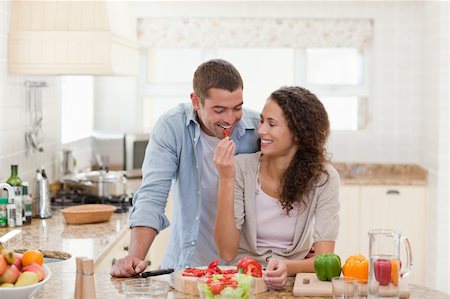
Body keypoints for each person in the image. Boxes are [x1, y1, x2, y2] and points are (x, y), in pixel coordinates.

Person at [110, 59, 260, 277]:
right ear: (196, 101)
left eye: (237, 108)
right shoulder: (172, 127)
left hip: (243, 268)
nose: (230, 119)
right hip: (189, 266)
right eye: (219, 110)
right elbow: (152, 195)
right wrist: (135, 256)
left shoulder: (257, 129)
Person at [213, 86, 340, 288]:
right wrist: (226, 178)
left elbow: (324, 258)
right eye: (262, 121)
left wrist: (287, 267)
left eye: (272, 124)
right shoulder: (242, 168)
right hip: (243, 281)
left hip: (292, 283)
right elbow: (226, 252)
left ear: (298, 134)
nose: (261, 130)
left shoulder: (323, 178)